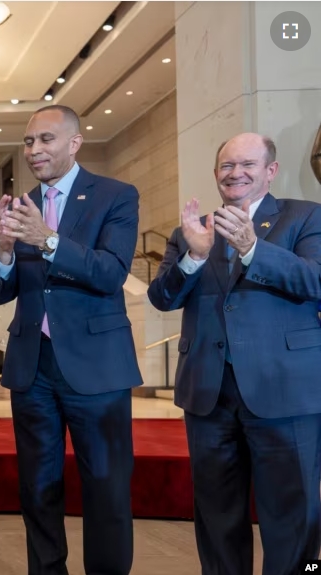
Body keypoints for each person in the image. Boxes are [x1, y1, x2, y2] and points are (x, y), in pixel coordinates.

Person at [147, 133, 321, 575]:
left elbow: (314, 281)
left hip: (284, 393)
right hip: (209, 394)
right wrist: (193, 258)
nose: (236, 173)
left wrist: (252, 249)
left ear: (271, 171)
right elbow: (162, 299)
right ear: (216, 174)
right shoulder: (191, 231)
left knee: (292, 512)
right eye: (227, 166)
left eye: (248, 164)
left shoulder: (306, 218)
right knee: (217, 513)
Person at [0, 105, 141, 574]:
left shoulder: (115, 195)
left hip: (97, 367)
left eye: (46, 140)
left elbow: (111, 273)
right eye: (29, 142)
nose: (34, 150)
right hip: (33, 369)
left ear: (74, 143)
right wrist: (6, 251)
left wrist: (47, 239)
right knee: (38, 487)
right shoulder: (20, 206)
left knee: (107, 487)